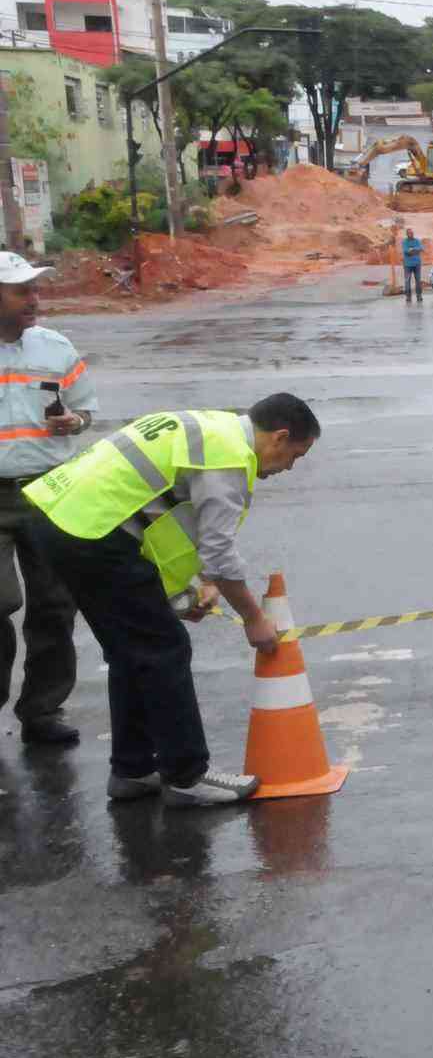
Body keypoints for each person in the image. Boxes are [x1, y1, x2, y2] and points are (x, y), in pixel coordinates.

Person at [23, 393, 320, 807]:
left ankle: (134, 770)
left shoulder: (209, 426)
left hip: (59, 518)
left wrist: (183, 590)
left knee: (133, 652)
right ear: (280, 436)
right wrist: (254, 618)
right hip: (90, 532)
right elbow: (219, 553)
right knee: (165, 649)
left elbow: (162, 524)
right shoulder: (229, 457)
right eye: (296, 455)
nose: (289, 467)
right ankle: (186, 776)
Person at [0, 253, 95, 746]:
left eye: (36, 290)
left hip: (49, 489)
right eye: (22, 292)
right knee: (1, 601)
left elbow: (87, 408)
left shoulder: (55, 348)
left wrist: (74, 422)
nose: (34, 300)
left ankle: (42, 709)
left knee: (55, 604)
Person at [401, 229, 425, 303]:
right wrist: (415, 250)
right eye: (409, 233)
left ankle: (419, 296)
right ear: (407, 234)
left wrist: (412, 249)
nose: (410, 234)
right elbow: (406, 251)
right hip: (407, 264)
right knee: (407, 281)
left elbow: (421, 248)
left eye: (411, 233)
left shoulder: (417, 240)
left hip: (417, 264)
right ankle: (408, 297)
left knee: (418, 280)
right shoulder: (404, 242)